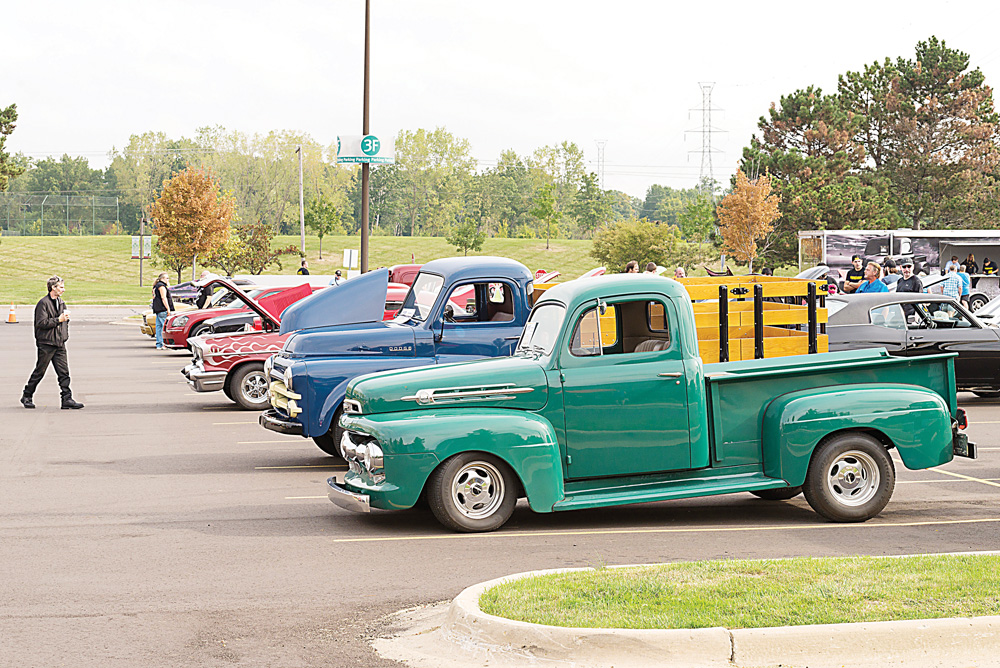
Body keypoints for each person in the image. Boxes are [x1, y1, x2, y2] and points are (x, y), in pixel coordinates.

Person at [20, 276, 84, 409]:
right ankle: (27, 395)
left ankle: (67, 399)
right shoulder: (43, 304)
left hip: (59, 343)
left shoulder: (61, 302)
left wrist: (64, 329)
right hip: (46, 344)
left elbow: (64, 322)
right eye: (61, 287)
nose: (63, 290)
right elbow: (41, 323)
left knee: (64, 372)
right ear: (53, 288)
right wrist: (58, 320)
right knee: (40, 371)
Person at [152, 272, 175, 349]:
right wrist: (168, 309)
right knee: (164, 327)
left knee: (159, 327)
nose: (168, 279)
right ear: (162, 279)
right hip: (162, 309)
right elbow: (163, 298)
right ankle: (163, 343)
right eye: (167, 278)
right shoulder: (161, 286)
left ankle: (159, 344)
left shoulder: (156, 286)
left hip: (157, 309)